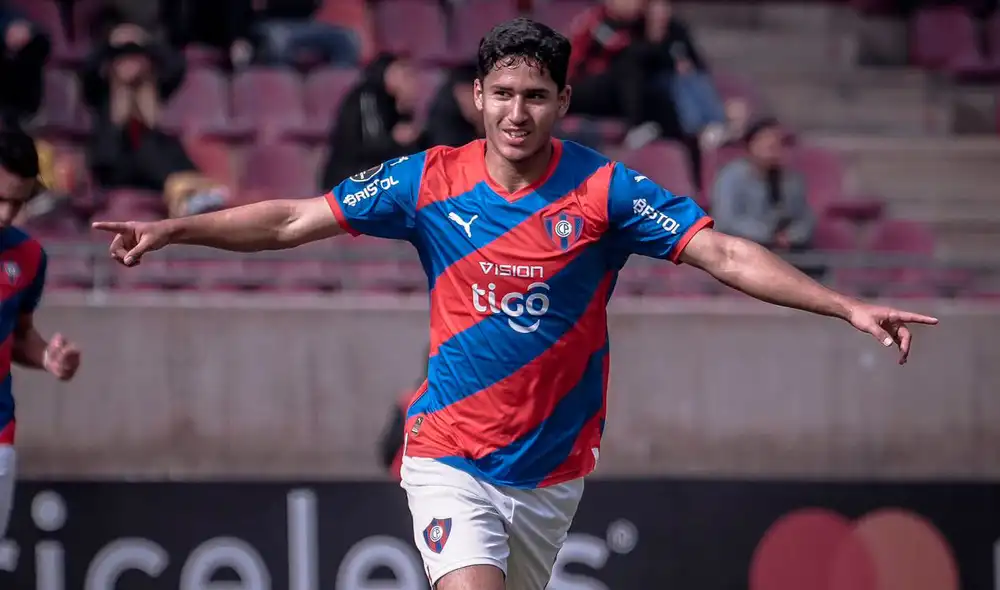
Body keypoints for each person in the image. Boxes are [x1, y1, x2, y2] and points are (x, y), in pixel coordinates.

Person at [92, 17, 938, 590]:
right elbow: (290, 220)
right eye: (502, 94)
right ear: (478, 96)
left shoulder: (605, 191)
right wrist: (175, 230)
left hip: (551, 475)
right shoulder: (428, 179)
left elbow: (722, 252)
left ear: (563, 102)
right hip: (448, 453)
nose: (516, 113)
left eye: (535, 96)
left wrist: (843, 305)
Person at [0, 129, 81, 539]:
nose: (5, 215)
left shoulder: (29, 257)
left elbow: (17, 335)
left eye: (17, 203)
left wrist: (47, 356)